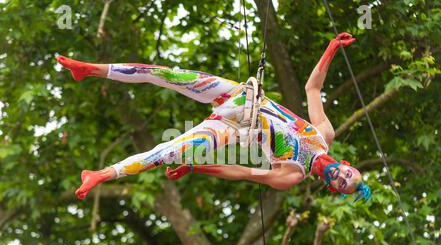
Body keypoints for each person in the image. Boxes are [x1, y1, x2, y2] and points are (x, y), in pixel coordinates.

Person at [56, 32, 370, 201]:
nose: (341, 177)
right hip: (238, 96)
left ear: (332, 188)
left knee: (166, 152)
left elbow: (241, 172)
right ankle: (89, 70)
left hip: (229, 127)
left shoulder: (293, 175)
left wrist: (196, 166)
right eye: (348, 175)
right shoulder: (323, 135)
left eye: (342, 184)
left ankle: (101, 174)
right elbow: (313, 88)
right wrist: (330, 49)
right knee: (166, 74)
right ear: (347, 166)